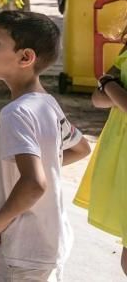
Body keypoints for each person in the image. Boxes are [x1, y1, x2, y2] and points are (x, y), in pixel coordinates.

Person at [0, 10, 92, 281]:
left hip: (23, 246)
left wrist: (0, 221)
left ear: (25, 57)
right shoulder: (47, 103)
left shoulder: (16, 113)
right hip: (49, 241)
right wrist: (47, 163)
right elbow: (80, 148)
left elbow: (34, 183)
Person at [74, 16, 127, 277]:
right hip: (121, 152)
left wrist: (108, 83)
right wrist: (110, 88)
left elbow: (111, 94)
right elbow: (98, 100)